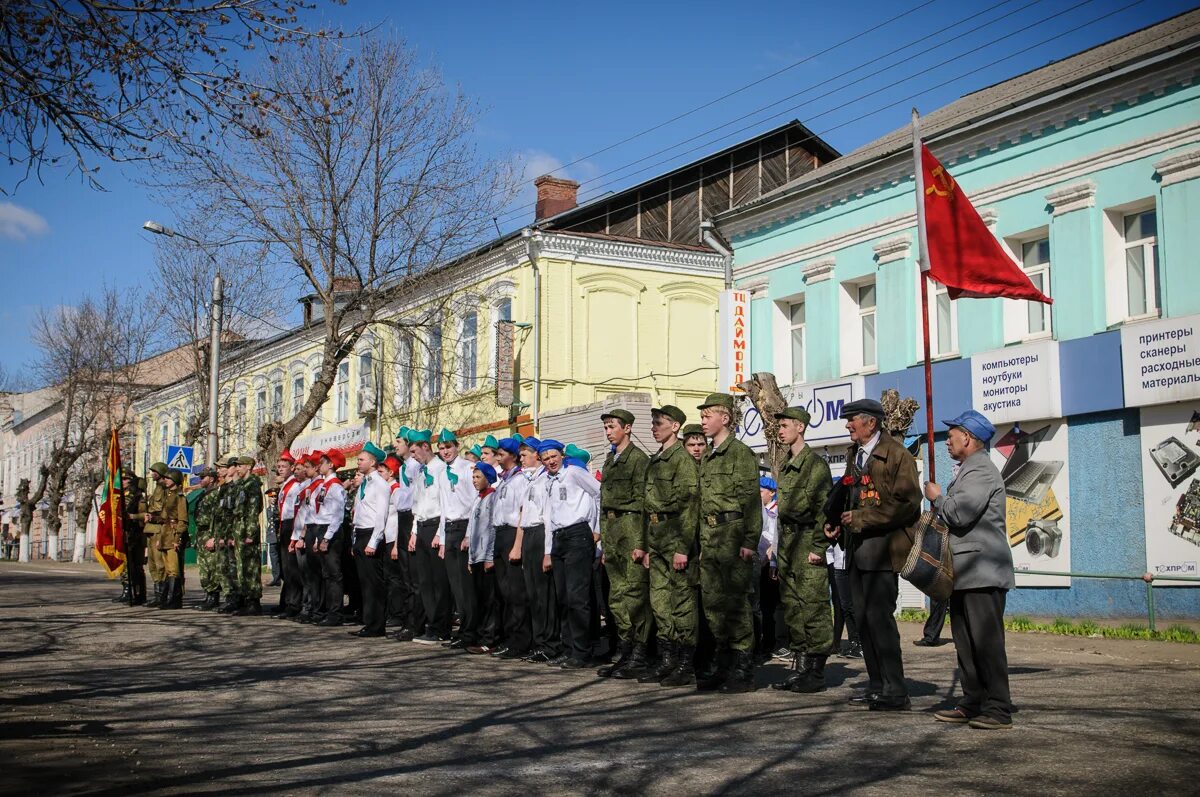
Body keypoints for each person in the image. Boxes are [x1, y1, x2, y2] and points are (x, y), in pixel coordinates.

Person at [924, 410, 1016, 730]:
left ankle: (998, 708)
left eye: (952, 434)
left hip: (982, 570)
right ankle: (973, 701)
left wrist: (937, 498)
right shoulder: (968, 470)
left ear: (968, 437)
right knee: (966, 643)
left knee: (986, 643)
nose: (947, 440)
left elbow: (959, 514)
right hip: (966, 572)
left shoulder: (980, 471)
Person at [827, 398, 921, 712]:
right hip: (857, 551)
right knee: (863, 622)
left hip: (882, 553)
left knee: (880, 620)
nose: (848, 425)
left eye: (852, 420)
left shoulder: (897, 455)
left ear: (871, 422)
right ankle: (877, 685)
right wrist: (836, 523)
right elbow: (853, 496)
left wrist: (863, 519)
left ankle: (896, 690)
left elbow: (908, 503)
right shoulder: (856, 454)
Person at [695, 393, 762, 694]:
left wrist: (749, 539)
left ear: (725, 418)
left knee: (736, 604)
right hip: (711, 539)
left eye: (707, 415)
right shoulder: (707, 456)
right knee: (714, 605)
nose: (703, 421)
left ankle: (743, 669)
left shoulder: (740, 454)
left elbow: (751, 501)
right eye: (702, 416)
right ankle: (723, 665)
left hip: (733, 536)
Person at [770, 407, 834, 694]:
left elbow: (825, 510)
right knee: (793, 606)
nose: (780, 431)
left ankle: (816, 671)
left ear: (800, 427)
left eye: (785, 426)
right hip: (788, 543)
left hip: (808, 540)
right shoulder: (786, 465)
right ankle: (801, 666)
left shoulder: (815, 465)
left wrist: (820, 546)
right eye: (779, 426)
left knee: (813, 606)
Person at [641, 405, 700, 687]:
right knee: (660, 602)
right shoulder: (657, 458)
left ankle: (685, 663)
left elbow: (689, 507)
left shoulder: (682, 460)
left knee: (682, 602)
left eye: (659, 423)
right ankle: (667, 660)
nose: (654, 427)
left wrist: (683, 547)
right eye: (653, 423)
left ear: (675, 426)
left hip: (676, 534)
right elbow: (647, 507)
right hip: (657, 536)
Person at [596, 408, 651, 680]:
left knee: (634, 596)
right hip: (613, 533)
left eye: (612, 427)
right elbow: (604, 503)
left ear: (627, 428)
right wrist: (606, 543)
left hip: (630, 531)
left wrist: (642, 543)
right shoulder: (610, 459)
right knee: (616, 598)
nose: (608, 432)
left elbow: (643, 503)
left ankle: (639, 654)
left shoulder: (638, 459)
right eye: (606, 428)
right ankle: (625, 650)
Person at [541, 439, 601, 669]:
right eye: (545, 459)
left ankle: (582, 651)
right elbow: (549, 516)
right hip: (559, 537)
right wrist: (548, 549)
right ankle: (568, 649)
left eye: (553, 457)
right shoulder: (548, 480)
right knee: (563, 597)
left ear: (562, 456)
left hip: (578, 534)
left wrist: (597, 528)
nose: (550, 462)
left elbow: (598, 493)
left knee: (578, 597)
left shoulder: (574, 472)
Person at [433, 429, 478, 649]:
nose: (445, 452)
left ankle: (470, 631)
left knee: (464, 585)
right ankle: (463, 628)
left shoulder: (468, 469)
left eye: (448, 447)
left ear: (457, 446)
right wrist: (442, 538)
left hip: (463, 527)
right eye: (441, 449)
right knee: (454, 584)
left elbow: (473, 503)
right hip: (449, 529)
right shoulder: (442, 473)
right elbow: (443, 507)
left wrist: (469, 533)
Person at [408, 429, 452, 644]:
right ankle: (431, 623)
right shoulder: (420, 472)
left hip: (436, 525)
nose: (413, 456)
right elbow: (418, 505)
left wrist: (439, 533)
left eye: (415, 451)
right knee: (425, 581)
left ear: (426, 447)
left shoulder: (442, 470)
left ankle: (441, 626)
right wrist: (414, 531)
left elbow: (444, 504)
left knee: (439, 582)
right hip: (423, 525)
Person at [517, 436, 558, 663]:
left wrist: (548, 551)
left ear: (536, 456)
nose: (521, 459)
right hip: (529, 535)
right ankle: (538, 640)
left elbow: (549, 516)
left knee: (544, 595)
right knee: (533, 593)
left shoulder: (546, 481)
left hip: (542, 534)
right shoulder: (530, 481)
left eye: (525, 454)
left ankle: (549, 644)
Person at [491, 437, 533, 659]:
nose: (498, 457)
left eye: (501, 454)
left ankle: (520, 640)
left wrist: (517, 545)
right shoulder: (505, 480)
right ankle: (509, 637)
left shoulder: (520, 480)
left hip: (512, 535)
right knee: (503, 592)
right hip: (500, 533)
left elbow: (521, 513)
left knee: (516, 592)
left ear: (512, 456)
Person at [352, 442, 392, 638]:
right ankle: (368, 622)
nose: (358, 462)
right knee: (364, 582)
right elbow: (359, 513)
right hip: (360, 533)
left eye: (361, 459)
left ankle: (376, 624)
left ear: (373, 461)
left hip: (371, 534)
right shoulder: (365, 483)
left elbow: (381, 515)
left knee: (373, 583)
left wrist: (373, 542)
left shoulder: (380, 485)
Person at [465, 462, 501, 654]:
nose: (474, 481)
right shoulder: (477, 500)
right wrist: (471, 558)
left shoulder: (492, 498)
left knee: (489, 601)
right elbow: (473, 529)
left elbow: (491, 529)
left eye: (478, 477)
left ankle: (490, 638)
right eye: (473, 477)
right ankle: (480, 635)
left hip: (486, 556)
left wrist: (489, 556)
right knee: (479, 600)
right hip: (476, 556)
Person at [310, 450, 349, 626]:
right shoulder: (325, 485)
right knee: (326, 574)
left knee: (334, 574)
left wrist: (326, 538)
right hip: (322, 528)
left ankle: (336, 613)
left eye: (323, 462)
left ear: (331, 465)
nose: (320, 465)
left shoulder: (335, 486)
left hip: (331, 531)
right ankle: (329, 610)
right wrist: (319, 538)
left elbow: (337, 515)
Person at [152, 469, 189, 610]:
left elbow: (183, 520)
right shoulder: (168, 495)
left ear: (175, 479)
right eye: (165, 477)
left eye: (168, 478)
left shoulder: (180, 497)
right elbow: (164, 517)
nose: (165, 480)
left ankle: (174, 599)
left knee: (174, 569)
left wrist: (177, 537)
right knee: (168, 569)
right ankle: (167, 598)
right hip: (165, 534)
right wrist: (154, 518)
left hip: (173, 534)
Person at [233, 456, 264, 616]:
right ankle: (246, 598)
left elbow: (253, 509)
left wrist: (251, 533)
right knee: (242, 566)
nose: (237, 468)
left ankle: (253, 600)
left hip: (247, 528)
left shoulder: (252, 484)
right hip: (240, 528)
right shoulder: (242, 485)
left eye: (240, 466)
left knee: (251, 566)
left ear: (248, 467)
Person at [189, 466, 221, 610]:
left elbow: (218, 519)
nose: (201, 480)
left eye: (204, 477)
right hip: (201, 533)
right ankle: (208, 594)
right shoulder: (204, 494)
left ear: (212, 479)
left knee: (211, 567)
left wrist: (214, 537)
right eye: (200, 477)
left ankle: (214, 596)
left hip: (210, 532)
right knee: (203, 567)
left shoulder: (215, 495)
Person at [142, 462, 169, 607]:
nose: (152, 473)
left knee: (160, 564)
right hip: (151, 529)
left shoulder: (164, 489)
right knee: (152, 564)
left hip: (159, 528)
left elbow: (165, 509)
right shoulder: (157, 488)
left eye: (155, 471)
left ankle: (162, 596)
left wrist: (153, 516)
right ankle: (157, 594)